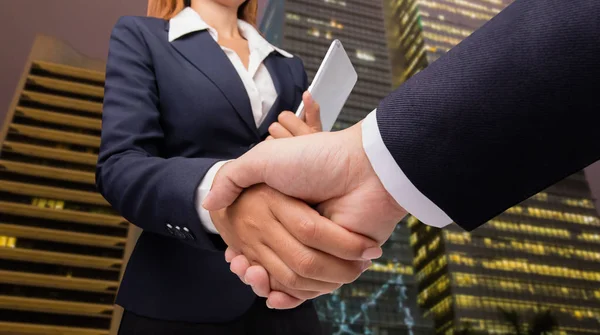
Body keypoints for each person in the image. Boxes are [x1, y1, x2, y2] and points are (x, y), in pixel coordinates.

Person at [202, 0, 600, 309]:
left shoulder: (286, 62)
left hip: (294, 304)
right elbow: (135, 159)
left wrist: (342, 159)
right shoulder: (141, 34)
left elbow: (294, 147)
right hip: (182, 291)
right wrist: (216, 194)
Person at [97, 0, 381, 333]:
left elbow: (294, 179)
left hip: (285, 302)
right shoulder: (142, 36)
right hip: (177, 298)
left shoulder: (289, 66)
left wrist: (312, 157)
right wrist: (223, 196)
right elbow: (121, 165)